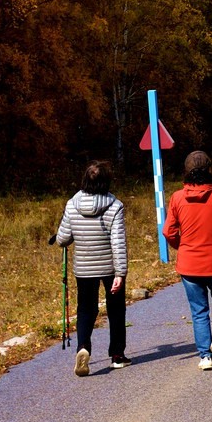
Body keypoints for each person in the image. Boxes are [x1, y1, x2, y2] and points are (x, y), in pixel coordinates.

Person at [163, 150, 212, 371]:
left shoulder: (177, 198)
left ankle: (205, 357)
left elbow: (168, 231)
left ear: (186, 171)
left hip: (189, 263)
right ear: (209, 170)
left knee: (198, 310)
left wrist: (182, 246)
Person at [56, 160, 130, 376]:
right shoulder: (114, 205)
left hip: (84, 268)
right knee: (116, 309)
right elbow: (118, 242)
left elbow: (62, 239)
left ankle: (83, 347)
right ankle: (117, 355)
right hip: (109, 267)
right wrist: (121, 272)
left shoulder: (72, 204)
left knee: (86, 309)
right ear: (106, 181)